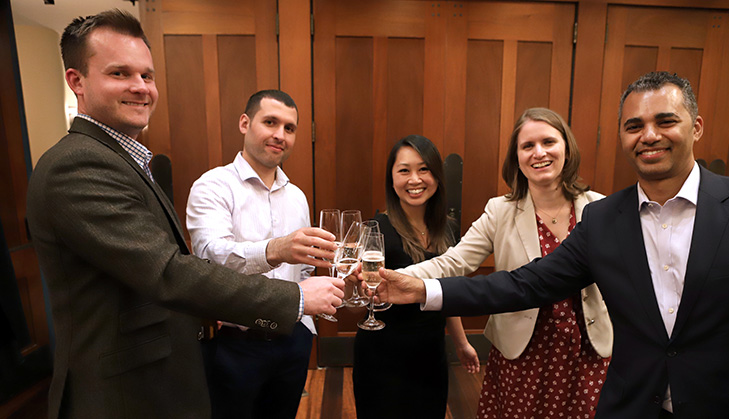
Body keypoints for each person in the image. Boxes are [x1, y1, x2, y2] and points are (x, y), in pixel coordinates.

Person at [379, 71, 729, 418]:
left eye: (666, 121)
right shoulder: (599, 219)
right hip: (589, 384)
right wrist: (416, 285)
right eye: (634, 125)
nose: (649, 135)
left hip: (683, 391)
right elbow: (518, 282)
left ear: (697, 127)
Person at [25, 10, 343, 418]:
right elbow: (172, 271)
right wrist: (295, 297)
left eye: (147, 76)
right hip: (125, 387)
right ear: (77, 81)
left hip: (256, 344)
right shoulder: (79, 165)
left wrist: (305, 309)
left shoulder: (126, 161)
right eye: (120, 73)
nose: (140, 88)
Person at [399, 108, 612, 418]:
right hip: (522, 355)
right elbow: (453, 262)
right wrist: (395, 277)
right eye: (527, 146)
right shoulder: (500, 211)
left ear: (566, 147)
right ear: (517, 157)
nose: (539, 153)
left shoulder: (600, 207)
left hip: (587, 352)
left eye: (548, 142)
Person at [186, 89, 337, 418]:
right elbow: (210, 259)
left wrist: (305, 328)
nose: (279, 135)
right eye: (270, 122)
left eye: (289, 128)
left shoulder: (297, 196)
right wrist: (276, 249)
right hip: (234, 344)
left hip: (292, 340)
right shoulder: (213, 186)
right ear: (245, 123)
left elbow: (305, 271)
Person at [351, 135, 478, 419]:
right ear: (392, 178)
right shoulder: (377, 228)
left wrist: (461, 343)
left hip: (430, 350)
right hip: (383, 353)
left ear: (436, 176)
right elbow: (361, 290)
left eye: (424, 169)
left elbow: (449, 292)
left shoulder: (448, 228)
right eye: (404, 170)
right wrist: (357, 283)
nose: (415, 179)